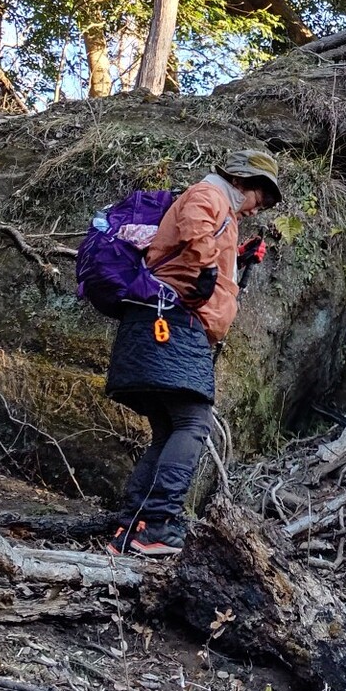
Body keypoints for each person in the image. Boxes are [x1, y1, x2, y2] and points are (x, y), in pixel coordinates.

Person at [106, 147, 282, 557]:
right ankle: (160, 525)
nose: (259, 209)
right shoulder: (211, 194)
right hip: (171, 325)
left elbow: (188, 245)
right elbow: (194, 225)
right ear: (242, 181)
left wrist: (233, 258)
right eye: (261, 197)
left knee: (170, 430)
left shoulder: (223, 207)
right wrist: (206, 268)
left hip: (155, 324)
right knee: (193, 424)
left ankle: (130, 529)